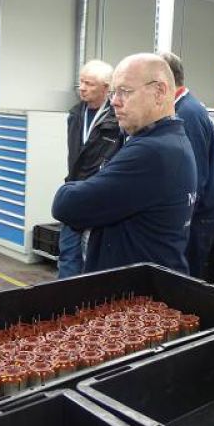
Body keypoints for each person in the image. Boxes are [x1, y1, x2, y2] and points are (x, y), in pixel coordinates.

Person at [52, 53, 196, 274]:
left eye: (125, 91)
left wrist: (72, 187)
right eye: (113, 92)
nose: (114, 101)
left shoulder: (151, 152)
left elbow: (66, 205)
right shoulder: (171, 140)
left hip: (133, 289)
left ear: (159, 92)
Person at [160, 52, 214, 279]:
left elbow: (194, 176)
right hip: (194, 215)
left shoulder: (187, 113)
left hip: (196, 219)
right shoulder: (183, 108)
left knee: (185, 281)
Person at [57, 60, 122, 278]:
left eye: (89, 84)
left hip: (98, 198)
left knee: (93, 258)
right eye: (81, 82)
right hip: (74, 192)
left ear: (106, 88)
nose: (82, 88)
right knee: (68, 256)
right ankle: (63, 297)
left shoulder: (117, 119)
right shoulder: (75, 114)